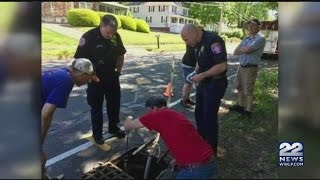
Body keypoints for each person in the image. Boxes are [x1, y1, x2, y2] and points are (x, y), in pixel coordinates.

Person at [124, 96, 217, 179]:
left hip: (195, 170)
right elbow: (186, 139)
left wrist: (129, 117)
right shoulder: (177, 115)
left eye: (149, 110)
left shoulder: (156, 115)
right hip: (209, 160)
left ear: (155, 108)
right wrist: (178, 159)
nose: (148, 113)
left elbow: (128, 126)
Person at [74, 14, 127, 145]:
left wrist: (118, 72)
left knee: (114, 105)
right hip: (95, 78)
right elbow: (79, 61)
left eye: (113, 33)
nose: (110, 36)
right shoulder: (89, 37)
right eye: (108, 33)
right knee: (96, 108)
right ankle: (97, 134)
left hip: (112, 77)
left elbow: (121, 55)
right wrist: (91, 76)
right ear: (101, 26)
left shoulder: (116, 36)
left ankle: (113, 128)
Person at [41, 58, 98, 179]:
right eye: (87, 80)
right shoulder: (66, 81)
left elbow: (49, 114)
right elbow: (44, 115)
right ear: (82, 75)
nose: (85, 83)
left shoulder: (64, 73)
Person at [180, 24, 228, 155]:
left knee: (209, 118)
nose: (186, 43)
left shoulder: (213, 41)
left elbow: (222, 66)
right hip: (204, 84)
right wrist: (195, 71)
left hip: (215, 84)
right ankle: (201, 145)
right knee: (199, 115)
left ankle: (211, 152)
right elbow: (200, 60)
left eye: (186, 39)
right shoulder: (197, 43)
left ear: (194, 34)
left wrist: (202, 75)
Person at [229, 19, 266, 118]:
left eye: (253, 25)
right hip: (241, 66)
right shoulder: (247, 38)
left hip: (251, 68)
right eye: (249, 25)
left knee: (248, 90)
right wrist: (244, 49)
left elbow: (248, 50)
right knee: (239, 86)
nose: (250, 27)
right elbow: (235, 52)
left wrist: (244, 49)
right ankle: (240, 106)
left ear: (259, 26)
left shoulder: (260, 38)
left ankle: (248, 111)